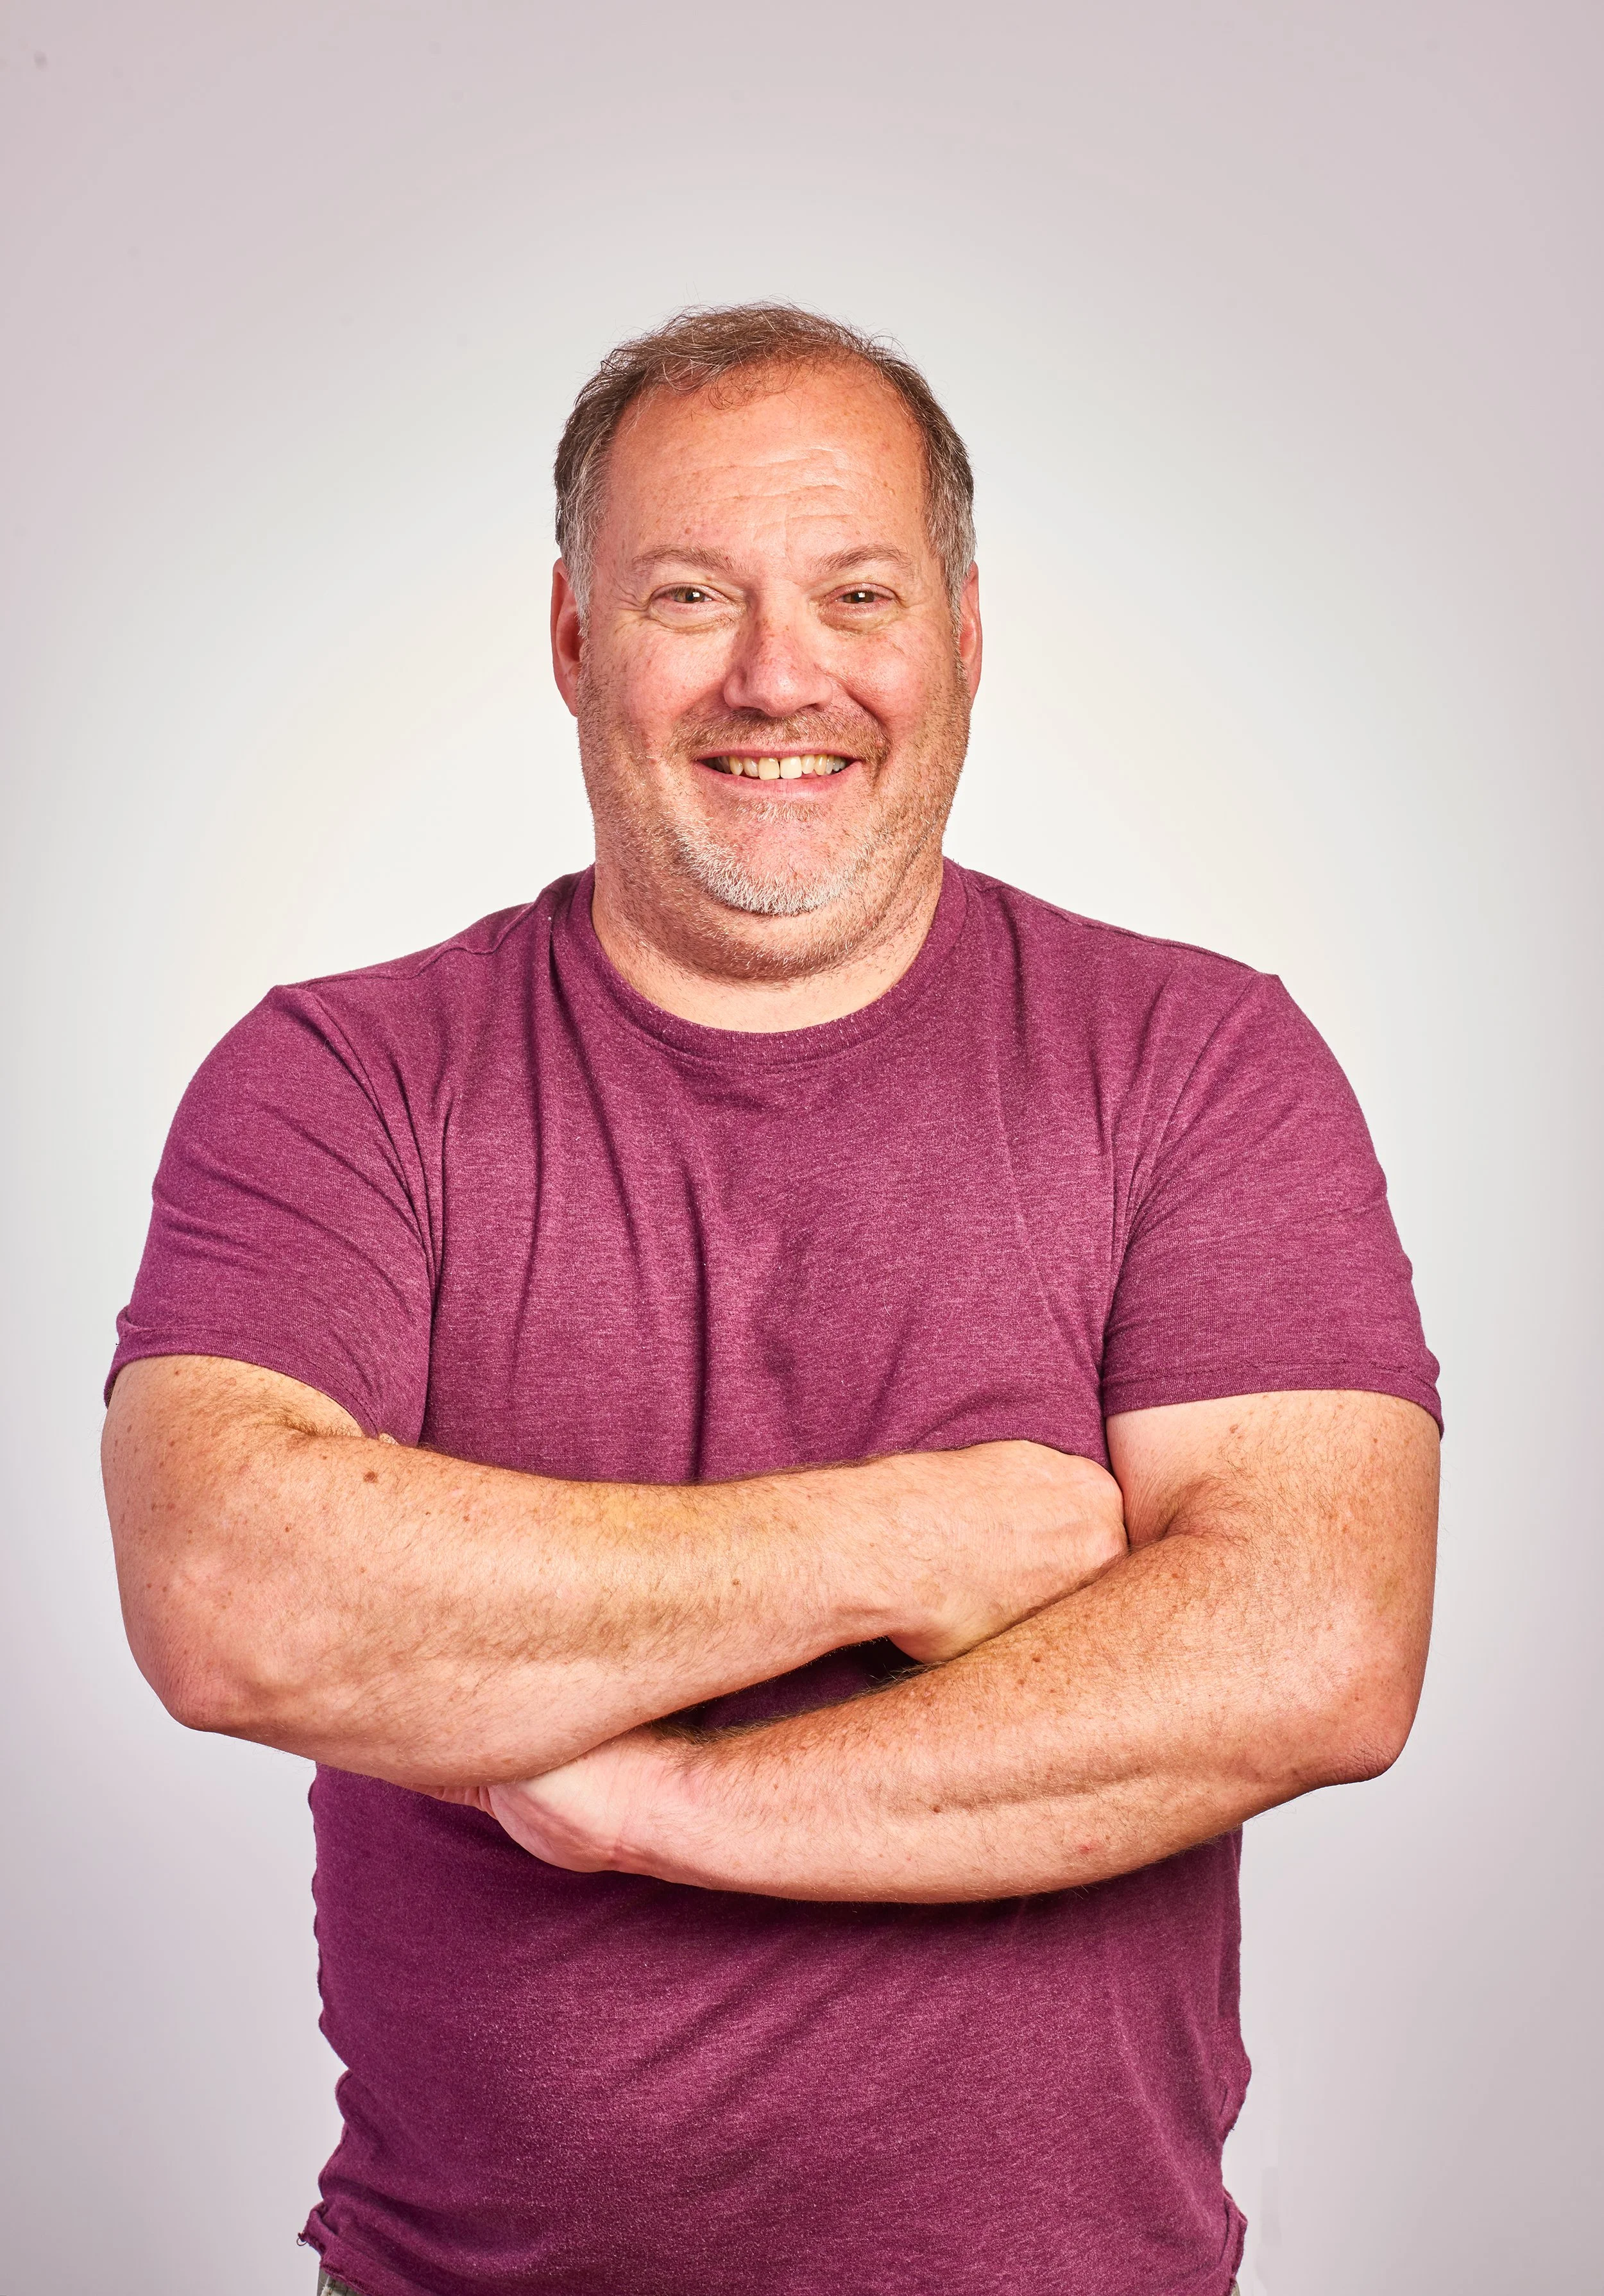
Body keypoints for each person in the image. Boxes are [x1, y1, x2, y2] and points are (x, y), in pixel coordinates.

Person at [101, 303, 1440, 2296]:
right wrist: (913, 1535)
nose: (777, 675)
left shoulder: (1195, 1064)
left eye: (857, 592)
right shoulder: (345, 1082)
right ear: (572, 641)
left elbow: (1316, 1645)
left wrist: (668, 1802)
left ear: (964, 639)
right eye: (687, 595)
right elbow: (234, 1597)